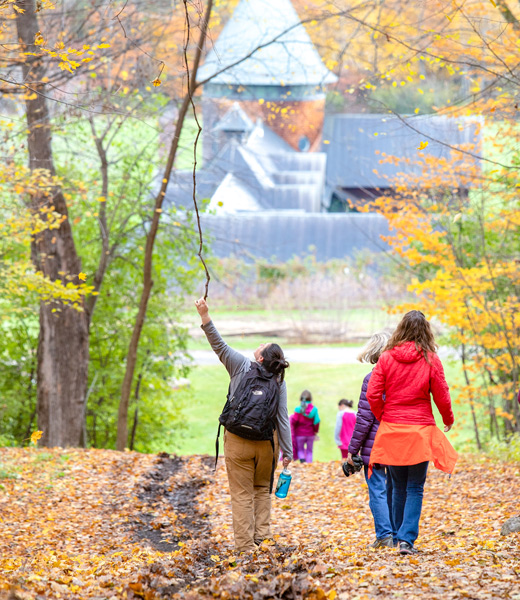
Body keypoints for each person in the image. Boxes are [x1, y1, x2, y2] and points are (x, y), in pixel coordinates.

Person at [194, 298, 293, 553]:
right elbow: (282, 417)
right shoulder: (278, 381)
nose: (259, 344)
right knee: (262, 489)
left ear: (260, 356)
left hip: (237, 441)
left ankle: (245, 548)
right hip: (267, 444)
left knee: (241, 494)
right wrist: (288, 452)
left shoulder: (241, 365)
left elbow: (218, 344)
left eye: (262, 345)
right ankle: (263, 537)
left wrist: (204, 315)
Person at [366, 310, 458, 555]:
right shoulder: (431, 360)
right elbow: (442, 393)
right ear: (426, 331)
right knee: (415, 487)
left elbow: (373, 394)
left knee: (397, 485)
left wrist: (383, 416)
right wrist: (448, 419)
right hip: (419, 431)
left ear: (401, 329)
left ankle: (397, 537)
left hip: (393, 430)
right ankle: (406, 541)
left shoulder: (386, 358)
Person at [346, 331, 394, 549]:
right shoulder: (400, 378)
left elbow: (364, 418)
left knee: (378, 489)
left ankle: (385, 535)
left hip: (375, 448)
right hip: (398, 443)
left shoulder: (372, 379)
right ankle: (397, 533)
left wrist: (352, 450)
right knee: (395, 490)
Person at [290, 390, 320, 463]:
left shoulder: (297, 409)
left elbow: (294, 421)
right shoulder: (314, 409)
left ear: (301, 398)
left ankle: (302, 462)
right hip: (310, 434)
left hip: (299, 434)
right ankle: (309, 464)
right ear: (310, 398)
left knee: (300, 450)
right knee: (310, 451)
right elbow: (317, 421)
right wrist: (315, 431)